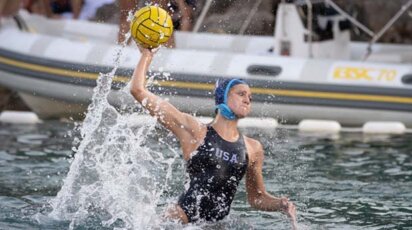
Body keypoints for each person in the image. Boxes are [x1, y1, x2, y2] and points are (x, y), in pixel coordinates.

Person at [130, 46, 297, 227]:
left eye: (250, 97)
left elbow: (256, 198)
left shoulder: (253, 148)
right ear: (222, 97)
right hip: (179, 222)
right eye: (241, 94)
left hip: (217, 226)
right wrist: (147, 54)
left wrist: (280, 204)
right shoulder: (195, 131)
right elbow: (138, 90)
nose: (247, 99)